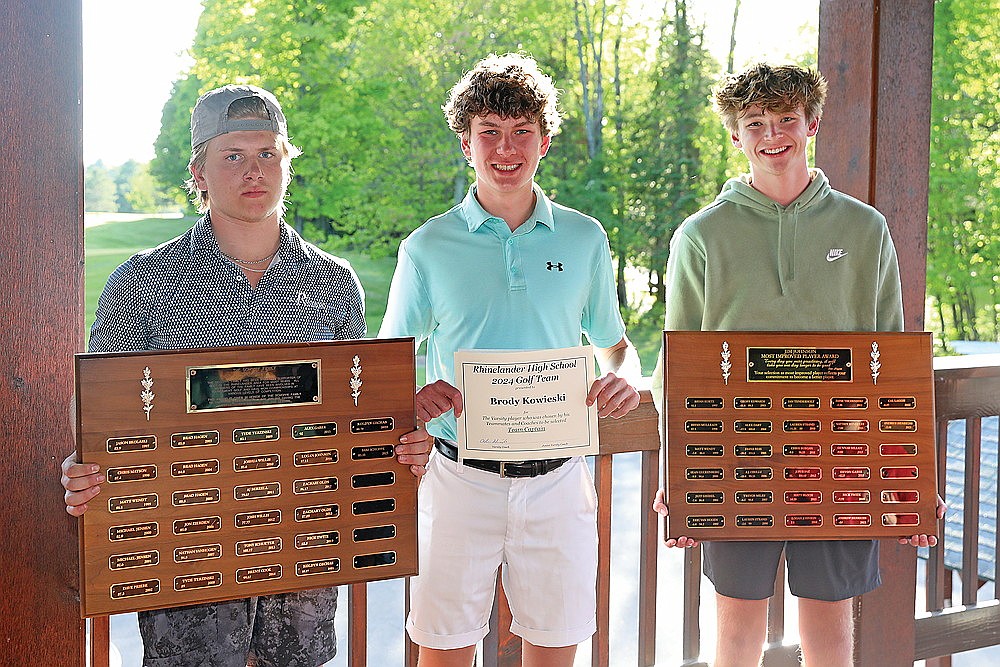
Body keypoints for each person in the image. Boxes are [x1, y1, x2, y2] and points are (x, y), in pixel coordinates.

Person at [60, 84, 431, 667]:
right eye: (232, 155)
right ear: (199, 171)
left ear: (287, 165)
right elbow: (103, 423)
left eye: (267, 154)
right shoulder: (144, 285)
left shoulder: (334, 288)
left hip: (302, 551)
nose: (253, 171)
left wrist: (394, 450)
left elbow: (355, 427)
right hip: (187, 555)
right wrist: (79, 470)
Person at [650, 63, 943, 667]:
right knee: (734, 632)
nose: (772, 134)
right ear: (736, 135)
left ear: (812, 123)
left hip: (838, 452)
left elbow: (895, 360)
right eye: (755, 122)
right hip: (734, 453)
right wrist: (676, 479)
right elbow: (679, 367)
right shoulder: (701, 236)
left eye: (787, 119)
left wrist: (913, 481)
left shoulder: (865, 229)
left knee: (831, 629)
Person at [378, 53, 641, 667]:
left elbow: (617, 345)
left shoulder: (585, 238)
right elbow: (391, 358)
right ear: (465, 142)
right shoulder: (427, 246)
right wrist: (413, 400)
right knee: (444, 647)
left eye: (522, 131)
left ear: (544, 141)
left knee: (555, 644)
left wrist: (623, 379)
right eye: (489, 132)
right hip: (456, 477)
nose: (506, 148)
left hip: (558, 479)